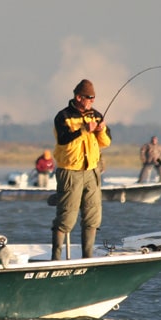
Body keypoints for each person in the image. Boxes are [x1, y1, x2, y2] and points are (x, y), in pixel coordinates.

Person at [51, 79, 111, 260]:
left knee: (93, 217)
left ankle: (88, 258)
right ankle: (56, 258)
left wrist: (101, 130)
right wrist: (84, 130)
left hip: (92, 172)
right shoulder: (63, 116)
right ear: (79, 97)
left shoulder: (96, 115)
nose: (92, 101)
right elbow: (63, 139)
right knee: (67, 217)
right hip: (70, 172)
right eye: (89, 98)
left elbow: (106, 142)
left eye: (94, 98)